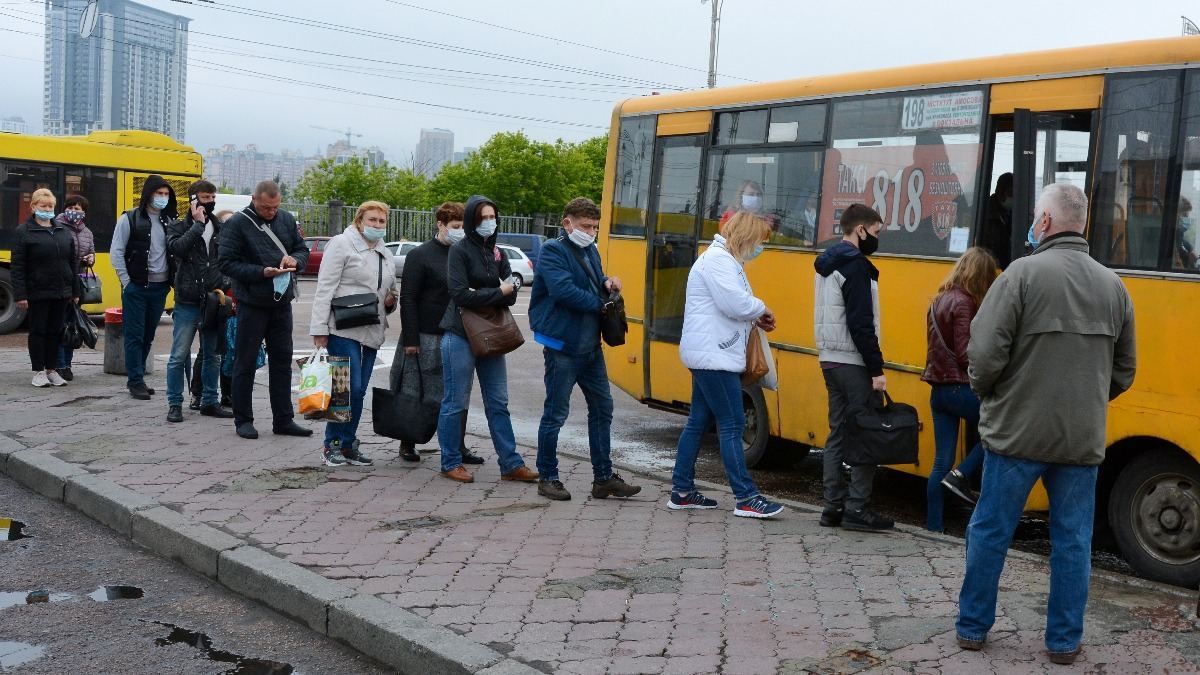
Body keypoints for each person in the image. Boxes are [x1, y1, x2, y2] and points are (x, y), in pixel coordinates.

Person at [956, 183, 1136, 665]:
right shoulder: (1113, 286)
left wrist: (991, 394)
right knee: (1073, 542)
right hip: (1080, 440)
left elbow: (985, 354)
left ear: (1047, 223)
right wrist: (1087, 400)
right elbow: (1124, 370)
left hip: (1015, 435)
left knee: (991, 530)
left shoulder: (1020, 275)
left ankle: (973, 628)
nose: (1033, 223)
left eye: (1036, 215)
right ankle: (1063, 642)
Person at [668, 211, 784, 518]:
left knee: (697, 422)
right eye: (759, 240)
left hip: (710, 353)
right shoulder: (719, 260)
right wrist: (762, 308)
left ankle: (682, 491)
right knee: (732, 423)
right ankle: (746, 497)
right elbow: (734, 302)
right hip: (715, 356)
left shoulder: (720, 259)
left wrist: (755, 312)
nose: (760, 247)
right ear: (746, 236)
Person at [529, 197, 641, 502]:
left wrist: (607, 283)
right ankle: (548, 477)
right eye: (585, 226)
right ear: (567, 224)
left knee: (603, 409)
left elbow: (592, 283)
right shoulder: (553, 250)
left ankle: (603, 478)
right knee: (555, 413)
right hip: (563, 344)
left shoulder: (590, 249)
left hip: (590, 345)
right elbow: (563, 290)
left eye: (594, 227)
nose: (590, 232)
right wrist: (601, 304)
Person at [437, 195, 538, 484]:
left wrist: (494, 291)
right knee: (455, 402)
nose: (489, 223)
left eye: (493, 217)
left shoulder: (498, 253)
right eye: (483, 218)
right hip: (460, 334)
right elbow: (460, 294)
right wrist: (498, 291)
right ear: (471, 220)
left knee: (498, 402)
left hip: (492, 333)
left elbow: (513, 290)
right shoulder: (460, 251)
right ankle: (450, 462)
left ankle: (511, 463)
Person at [813, 203, 894, 532]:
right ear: (860, 230)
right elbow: (861, 324)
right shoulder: (856, 266)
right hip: (853, 361)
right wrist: (876, 369)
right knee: (866, 435)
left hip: (829, 360)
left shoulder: (828, 262)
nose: (876, 238)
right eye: (875, 232)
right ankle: (857, 508)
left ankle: (832, 507)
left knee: (837, 433)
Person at [218, 180, 312, 440]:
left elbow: (301, 248)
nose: (271, 212)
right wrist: (261, 272)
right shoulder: (237, 224)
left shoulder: (285, 219)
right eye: (266, 207)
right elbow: (226, 263)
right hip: (252, 303)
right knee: (245, 362)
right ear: (254, 199)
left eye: (275, 207)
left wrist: (295, 260)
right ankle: (243, 420)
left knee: (282, 363)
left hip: (281, 303)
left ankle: (283, 419)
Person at [393, 202, 482, 464]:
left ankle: (458, 446)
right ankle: (408, 442)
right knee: (415, 389)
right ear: (440, 224)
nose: (461, 233)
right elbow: (408, 298)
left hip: (461, 333)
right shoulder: (420, 255)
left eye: (464, 228)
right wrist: (411, 339)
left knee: (459, 391)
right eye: (456, 227)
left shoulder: (466, 254)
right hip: (426, 334)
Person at [311, 201, 397, 467]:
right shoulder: (341, 243)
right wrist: (319, 328)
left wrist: (392, 300)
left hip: (372, 327)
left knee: (358, 391)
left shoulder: (385, 251)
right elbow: (325, 286)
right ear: (359, 220)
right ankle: (332, 444)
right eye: (372, 220)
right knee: (345, 389)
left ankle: (348, 445)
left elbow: (390, 288)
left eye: (381, 222)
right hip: (343, 326)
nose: (377, 226)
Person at [920, 247, 999, 533]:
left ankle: (934, 527)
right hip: (960, 388)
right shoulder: (964, 302)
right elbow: (966, 353)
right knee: (997, 430)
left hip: (938, 390)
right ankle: (961, 474)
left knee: (941, 460)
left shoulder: (939, 298)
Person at [164, 180, 234, 423]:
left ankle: (209, 401)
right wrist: (197, 225)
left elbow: (228, 259)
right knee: (178, 354)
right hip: (187, 301)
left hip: (213, 300)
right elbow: (177, 250)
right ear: (193, 199)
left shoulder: (221, 228)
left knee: (213, 355)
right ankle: (175, 403)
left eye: (213, 197)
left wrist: (224, 283)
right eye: (205, 197)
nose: (210, 201)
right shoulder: (177, 226)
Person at [110, 175, 176, 400]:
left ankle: (138, 377)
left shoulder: (170, 221)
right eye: (159, 193)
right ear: (149, 194)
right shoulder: (129, 218)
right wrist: (126, 282)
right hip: (137, 287)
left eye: (166, 194)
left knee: (148, 335)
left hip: (160, 288)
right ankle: (135, 380)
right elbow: (116, 252)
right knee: (134, 335)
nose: (163, 198)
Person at [12, 188, 79, 387]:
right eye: (43, 206)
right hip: (37, 291)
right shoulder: (23, 232)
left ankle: (52, 369)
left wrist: (75, 291)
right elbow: (17, 265)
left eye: (50, 206)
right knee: (38, 331)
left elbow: (72, 263)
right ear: (33, 207)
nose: (47, 209)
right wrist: (20, 294)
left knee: (55, 331)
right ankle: (38, 371)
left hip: (61, 291)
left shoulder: (62, 231)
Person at [55, 194, 95, 382]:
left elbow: (91, 251)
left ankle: (67, 364)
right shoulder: (57, 227)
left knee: (72, 326)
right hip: (60, 281)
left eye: (77, 208)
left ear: (84, 212)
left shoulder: (87, 232)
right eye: (70, 207)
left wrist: (90, 258)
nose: (73, 211)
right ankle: (60, 365)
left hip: (77, 282)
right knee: (60, 325)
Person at [980, 173, 1014, 268]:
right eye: (1011, 193)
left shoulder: (1015, 214)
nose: (1013, 198)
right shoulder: (984, 213)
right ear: (1000, 191)